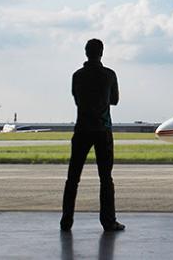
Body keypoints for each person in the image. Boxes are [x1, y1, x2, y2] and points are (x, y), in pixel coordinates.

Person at [60, 38, 124, 232]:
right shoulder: (109, 75)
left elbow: (77, 100)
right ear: (101, 52)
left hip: (82, 130)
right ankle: (108, 221)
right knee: (106, 178)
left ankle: (66, 220)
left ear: (86, 52)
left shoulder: (77, 76)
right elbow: (114, 100)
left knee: (73, 178)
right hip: (102, 129)